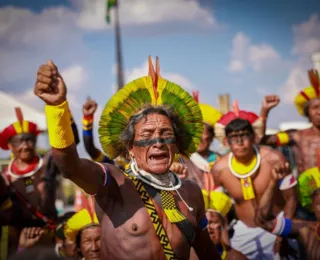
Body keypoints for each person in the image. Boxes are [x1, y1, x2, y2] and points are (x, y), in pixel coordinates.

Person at [34, 57, 220, 259]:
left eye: (166, 134)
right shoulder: (114, 184)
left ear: (176, 144)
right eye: (146, 136)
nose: (158, 142)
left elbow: (208, 253)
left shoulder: (191, 192)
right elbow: (70, 167)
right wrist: (56, 109)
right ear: (130, 147)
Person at [211, 103, 297, 259]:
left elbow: (291, 198)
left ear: (254, 137)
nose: (240, 142)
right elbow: (219, 211)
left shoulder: (274, 159)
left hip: (277, 225)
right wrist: (226, 244)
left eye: (244, 136)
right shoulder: (219, 170)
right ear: (226, 142)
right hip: (244, 231)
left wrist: (283, 232)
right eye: (234, 138)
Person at [255, 162, 320, 260]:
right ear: (313, 208)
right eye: (319, 204)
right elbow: (262, 221)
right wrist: (273, 183)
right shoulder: (306, 229)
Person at [204, 191, 247, 260]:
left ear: (223, 226)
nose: (209, 228)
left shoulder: (236, 258)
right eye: (204, 223)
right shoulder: (187, 255)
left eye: (213, 222)